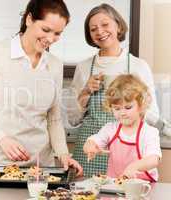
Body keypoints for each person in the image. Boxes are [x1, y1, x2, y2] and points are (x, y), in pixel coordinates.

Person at [0, 0, 82, 175]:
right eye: (45, 30)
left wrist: (63, 154)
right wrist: (2, 140)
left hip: (41, 167)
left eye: (58, 33)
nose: (51, 39)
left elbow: (53, 117)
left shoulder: (54, 65)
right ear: (29, 19)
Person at [65, 3, 159, 177]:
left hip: (126, 155)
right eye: (93, 29)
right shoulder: (84, 67)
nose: (99, 31)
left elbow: (152, 115)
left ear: (118, 25)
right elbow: (72, 119)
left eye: (105, 24)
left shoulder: (138, 66)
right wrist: (85, 91)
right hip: (90, 153)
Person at [83, 74, 161, 182]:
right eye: (117, 108)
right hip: (115, 187)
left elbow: (153, 159)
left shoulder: (149, 132)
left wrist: (134, 166)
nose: (122, 113)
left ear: (141, 105)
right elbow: (93, 141)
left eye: (128, 107)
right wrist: (90, 147)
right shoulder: (110, 129)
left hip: (143, 188)